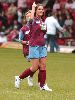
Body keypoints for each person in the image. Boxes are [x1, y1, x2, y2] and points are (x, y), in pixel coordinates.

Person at [15, 3, 52, 92]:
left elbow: (43, 33)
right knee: (34, 68)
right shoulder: (32, 20)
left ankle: (42, 86)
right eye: (39, 9)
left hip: (42, 46)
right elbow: (31, 19)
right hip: (34, 46)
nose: (41, 11)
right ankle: (19, 78)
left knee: (43, 65)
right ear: (36, 11)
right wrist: (33, 7)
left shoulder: (42, 21)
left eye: (42, 9)